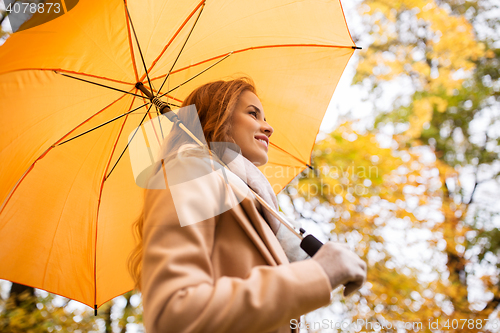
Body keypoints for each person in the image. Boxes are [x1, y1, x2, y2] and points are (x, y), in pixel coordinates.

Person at [128, 77, 367, 333]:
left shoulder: (255, 203)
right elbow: (174, 313)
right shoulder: (189, 170)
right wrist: (319, 273)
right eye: (253, 114)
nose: (268, 127)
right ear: (219, 118)